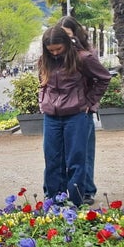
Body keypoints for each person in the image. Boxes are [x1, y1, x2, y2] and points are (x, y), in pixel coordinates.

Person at [38, 25, 113, 207]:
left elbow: (104, 78)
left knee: (76, 160)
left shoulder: (83, 58)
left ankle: (75, 202)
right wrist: (43, 100)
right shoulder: (44, 60)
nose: (55, 53)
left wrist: (89, 102)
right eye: (51, 50)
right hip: (51, 116)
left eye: (58, 49)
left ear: (66, 43)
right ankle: (55, 202)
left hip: (75, 115)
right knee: (52, 160)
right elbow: (43, 81)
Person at [56, 15, 98, 204]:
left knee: (84, 152)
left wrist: (90, 102)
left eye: (68, 34)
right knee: (63, 154)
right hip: (62, 110)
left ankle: (87, 189)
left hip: (82, 110)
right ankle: (67, 190)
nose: (65, 38)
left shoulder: (86, 54)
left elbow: (99, 79)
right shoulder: (57, 54)